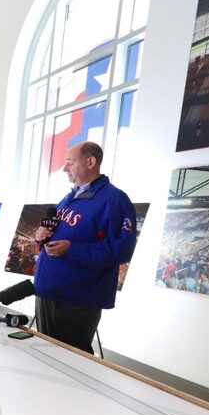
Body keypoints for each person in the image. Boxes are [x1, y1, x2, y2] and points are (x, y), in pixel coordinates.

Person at [33, 141, 137, 354]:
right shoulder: (70, 197)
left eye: (70, 163)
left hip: (76, 299)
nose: (64, 168)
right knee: (47, 355)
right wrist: (39, 237)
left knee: (71, 361)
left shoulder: (114, 199)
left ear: (90, 162)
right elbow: (60, 233)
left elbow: (121, 250)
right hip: (49, 291)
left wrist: (71, 249)